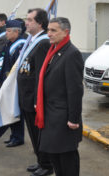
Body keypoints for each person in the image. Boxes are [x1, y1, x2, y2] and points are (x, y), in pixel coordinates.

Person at [36, 17, 84, 176]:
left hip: (63, 119)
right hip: (51, 115)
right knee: (55, 158)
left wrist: (74, 118)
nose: (48, 34)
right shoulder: (54, 51)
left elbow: (75, 90)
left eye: (53, 30)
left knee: (66, 160)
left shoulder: (71, 54)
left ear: (66, 32)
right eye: (48, 30)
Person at [17, 8, 53, 176]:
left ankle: (46, 165)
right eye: (27, 19)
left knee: (39, 133)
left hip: (33, 97)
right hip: (26, 96)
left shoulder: (44, 42)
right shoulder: (32, 40)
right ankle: (40, 161)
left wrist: (37, 100)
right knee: (32, 132)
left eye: (30, 20)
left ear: (40, 23)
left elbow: (40, 74)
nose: (26, 22)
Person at [0, 19, 27, 147]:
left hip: (15, 85)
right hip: (8, 83)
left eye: (8, 31)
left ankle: (18, 137)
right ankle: (13, 135)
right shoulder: (10, 43)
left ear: (16, 32)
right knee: (10, 111)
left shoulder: (20, 45)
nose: (6, 33)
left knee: (16, 111)